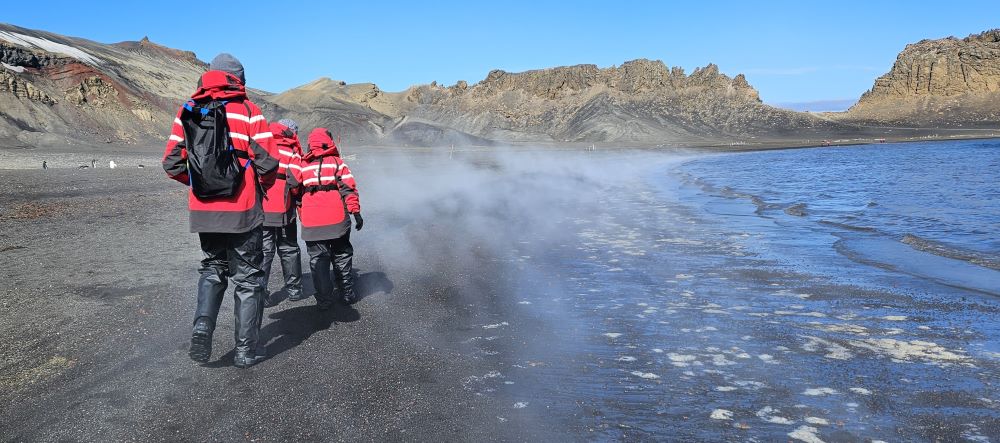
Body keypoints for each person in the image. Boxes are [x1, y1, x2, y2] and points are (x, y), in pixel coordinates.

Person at [162, 53, 279, 368]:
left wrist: (199, 183)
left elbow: (171, 163)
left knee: (212, 268)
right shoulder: (249, 110)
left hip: (204, 210)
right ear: (239, 79)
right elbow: (268, 162)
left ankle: (202, 326)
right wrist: (258, 185)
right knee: (249, 278)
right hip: (242, 208)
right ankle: (244, 350)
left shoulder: (187, 109)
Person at [287, 128, 363, 311]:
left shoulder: (301, 164)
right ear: (329, 142)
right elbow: (349, 188)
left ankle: (324, 299)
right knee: (342, 254)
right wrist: (356, 212)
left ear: (310, 144)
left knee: (318, 260)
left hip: (312, 221)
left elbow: (293, 186)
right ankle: (346, 292)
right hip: (337, 219)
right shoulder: (338, 163)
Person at [260, 119, 305, 306]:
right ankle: (294, 290)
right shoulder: (292, 151)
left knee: (263, 251)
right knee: (289, 249)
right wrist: (295, 197)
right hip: (285, 209)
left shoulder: (263, 147)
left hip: (260, 209)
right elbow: (295, 181)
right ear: (292, 133)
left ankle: (259, 292)